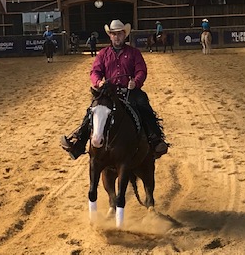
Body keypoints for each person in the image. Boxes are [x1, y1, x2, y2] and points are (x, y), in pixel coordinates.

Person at [60, 19, 169, 160]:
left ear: (125, 35)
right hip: (108, 92)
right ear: (110, 36)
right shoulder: (103, 54)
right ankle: (79, 143)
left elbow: (141, 70)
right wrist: (98, 82)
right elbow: (95, 71)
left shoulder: (134, 53)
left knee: (143, 105)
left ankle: (155, 140)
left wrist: (136, 82)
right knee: (92, 111)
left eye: (119, 34)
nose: (117, 37)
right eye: (114, 34)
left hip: (130, 91)